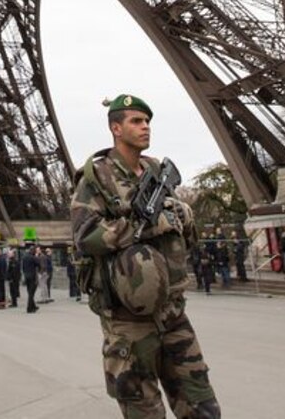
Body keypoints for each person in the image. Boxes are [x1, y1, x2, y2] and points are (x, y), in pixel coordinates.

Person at [71, 93, 220, 419]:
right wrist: (141, 227)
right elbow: (85, 238)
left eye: (147, 121)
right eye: (136, 121)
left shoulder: (155, 171)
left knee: (204, 408)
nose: (145, 127)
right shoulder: (96, 178)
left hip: (173, 311)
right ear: (115, 128)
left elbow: (179, 230)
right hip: (128, 320)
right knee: (145, 413)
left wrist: (181, 214)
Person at [22, 245, 40, 314]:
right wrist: (36, 257)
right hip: (32, 276)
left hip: (26, 276)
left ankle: (33, 306)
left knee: (29, 292)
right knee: (31, 293)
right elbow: (38, 264)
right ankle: (29, 308)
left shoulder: (24, 257)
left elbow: (23, 267)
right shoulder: (33, 257)